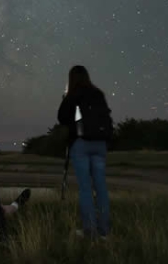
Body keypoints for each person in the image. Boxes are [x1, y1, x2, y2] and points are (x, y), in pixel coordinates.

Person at [57, 65, 113, 239]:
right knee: (101, 187)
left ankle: (90, 231)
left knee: (85, 189)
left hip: (81, 144)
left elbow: (62, 118)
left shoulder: (73, 94)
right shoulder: (98, 94)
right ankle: (104, 231)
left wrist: (65, 98)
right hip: (100, 144)